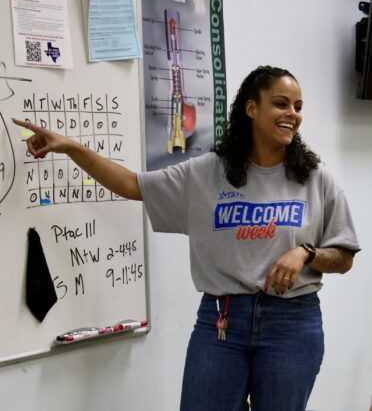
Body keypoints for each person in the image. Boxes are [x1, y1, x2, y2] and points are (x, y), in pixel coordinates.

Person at [13, 65, 360, 411]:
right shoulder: (208, 172)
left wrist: (307, 252)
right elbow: (132, 184)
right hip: (222, 322)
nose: (292, 115)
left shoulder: (316, 179)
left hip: (292, 323)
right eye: (281, 104)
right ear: (251, 108)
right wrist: (72, 148)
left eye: (298, 107)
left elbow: (344, 256)